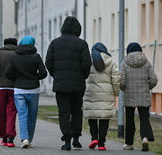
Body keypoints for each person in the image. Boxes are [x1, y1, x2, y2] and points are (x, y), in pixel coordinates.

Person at [45, 16, 92, 151]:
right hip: (78, 85)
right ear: (78, 29)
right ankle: (76, 138)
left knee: (64, 112)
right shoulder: (82, 44)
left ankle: (67, 140)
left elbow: (48, 62)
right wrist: (82, 76)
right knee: (77, 110)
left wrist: (57, 76)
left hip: (61, 85)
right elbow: (86, 64)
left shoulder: (54, 43)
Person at [5, 35, 47, 148]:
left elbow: (7, 73)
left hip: (19, 90)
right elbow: (44, 73)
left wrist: (17, 79)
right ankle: (30, 138)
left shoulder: (15, 57)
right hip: (33, 90)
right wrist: (34, 77)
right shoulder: (36, 56)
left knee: (22, 115)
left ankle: (25, 138)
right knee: (32, 116)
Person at [120, 42, 158, 152]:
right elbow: (154, 79)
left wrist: (124, 88)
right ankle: (145, 138)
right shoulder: (146, 62)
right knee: (144, 118)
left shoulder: (125, 63)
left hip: (129, 96)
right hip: (143, 95)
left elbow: (121, 81)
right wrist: (147, 87)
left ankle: (129, 144)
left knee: (130, 120)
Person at [83, 42, 120, 151]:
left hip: (91, 93)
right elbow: (116, 79)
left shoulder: (88, 61)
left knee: (92, 116)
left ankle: (94, 138)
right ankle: (101, 143)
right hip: (107, 94)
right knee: (104, 119)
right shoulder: (111, 62)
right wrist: (116, 93)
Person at [0, 38, 18, 147]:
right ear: (15, 44)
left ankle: (4, 138)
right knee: (11, 113)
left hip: (0, 88)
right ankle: (11, 138)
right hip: (14, 87)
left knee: (1, 113)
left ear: (5, 44)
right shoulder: (18, 54)